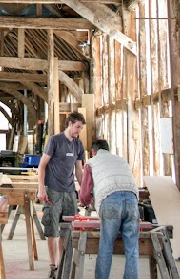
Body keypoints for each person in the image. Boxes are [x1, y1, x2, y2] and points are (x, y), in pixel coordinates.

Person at [79, 139, 139, 279]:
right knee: (132, 249)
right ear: (108, 150)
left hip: (110, 199)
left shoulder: (91, 163)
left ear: (93, 152)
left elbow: (84, 193)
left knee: (106, 245)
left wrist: (86, 203)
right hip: (132, 200)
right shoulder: (121, 160)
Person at [37, 112, 86, 278]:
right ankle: (53, 266)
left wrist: (84, 191)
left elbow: (78, 170)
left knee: (68, 230)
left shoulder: (78, 144)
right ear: (70, 124)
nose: (79, 130)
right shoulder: (55, 141)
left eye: (81, 128)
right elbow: (42, 165)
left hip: (69, 192)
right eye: (78, 127)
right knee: (52, 229)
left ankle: (63, 264)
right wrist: (41, 189)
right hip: (53, 190)